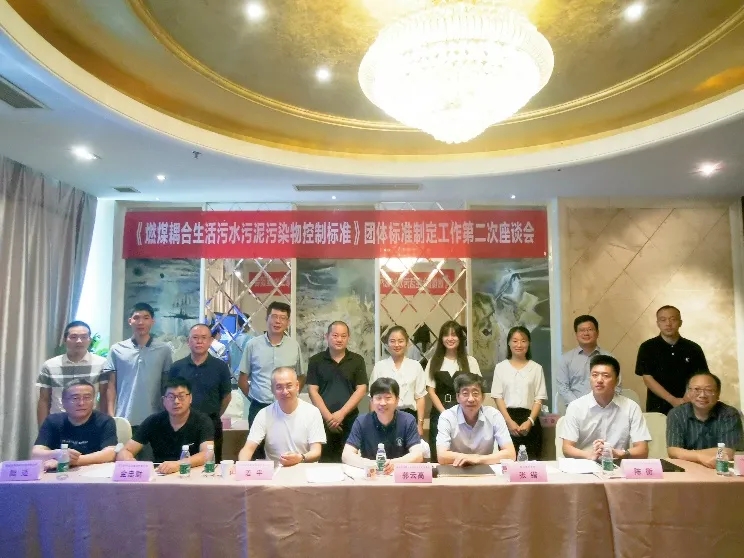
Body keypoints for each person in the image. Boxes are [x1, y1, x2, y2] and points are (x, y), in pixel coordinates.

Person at [116, 377, 214, 474]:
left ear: (190, 398)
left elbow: (207, 454)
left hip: (192, 474)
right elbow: (126, 450)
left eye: (181, 396)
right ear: (164, 400)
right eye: (171, 397)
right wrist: (128, 460)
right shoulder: (153, 421)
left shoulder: (203, 421)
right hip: (161, 474)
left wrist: (179, 464)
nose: (176, 401)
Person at [561, 355, 651, 460]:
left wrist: (620, 453)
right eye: (594, 375)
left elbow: (642, 450)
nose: (599, 380)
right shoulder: (576, 407)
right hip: (586, 464)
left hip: (617, 464)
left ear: (617, 381)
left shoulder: (631, 407)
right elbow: (567, 448)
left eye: (606, 376)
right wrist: (589, 455)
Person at [103, 303, 173, 437]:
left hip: (155, 418)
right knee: (124, 451)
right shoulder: (117, 349)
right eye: (136, 318)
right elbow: (111, 386)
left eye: (146, 318)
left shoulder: (164, 350)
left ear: (152, 321)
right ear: (130, 321)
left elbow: (166, 385)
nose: (141, 322)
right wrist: (111, 415)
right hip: (124, 417)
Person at [169, 324, 232, 462]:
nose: (199, 341)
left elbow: (227, 396)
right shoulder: (176, 367)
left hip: (211, 423)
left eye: (204, 338)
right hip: (181, 424)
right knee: (181, 463)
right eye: (195, 337)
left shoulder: (220, 367)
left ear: (210, 341)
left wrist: (215, 414)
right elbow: (170, 396)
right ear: (188, 341)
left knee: (211, 464)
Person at [307, 321, 368, 462]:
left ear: (348, 338)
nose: (339, 339)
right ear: (326, 336)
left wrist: (341, 413)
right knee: (324, 462)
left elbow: (361, 389)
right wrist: (329, 418)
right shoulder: (316, 361)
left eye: (343, 336)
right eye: (335, 335)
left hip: (350, 420)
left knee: (350, 461)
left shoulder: (357, 360)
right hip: (322, 421)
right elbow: (312, 390)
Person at [238, 367, 326, 465]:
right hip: (274, 470)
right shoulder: (264, 414)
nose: (285, 391)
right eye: (279, 387)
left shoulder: (312, 412)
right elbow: (248, 448)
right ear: (272, 390)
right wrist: (241, 465)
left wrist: (300, 457)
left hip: (304, 468)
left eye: (289, 386)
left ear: (297, 386)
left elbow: (316, 452)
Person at [238, 302, 304, 428]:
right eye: (274, 316)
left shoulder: (294, 346)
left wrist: (292, 395)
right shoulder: (252, 345)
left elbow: (301, 376)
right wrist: (254, 399)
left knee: (286, 440)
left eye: (283, 318)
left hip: (286, 407)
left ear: (288, 322)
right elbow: (242, 380)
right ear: (267, 319)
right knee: (257, 441)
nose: (278, 321)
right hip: (259, 408)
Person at [635, 305, 708, 415]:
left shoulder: (693, 348)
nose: (668, 324)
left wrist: (686, 399)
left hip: (690, 404)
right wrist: (672, 400)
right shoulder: (647, 347)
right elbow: (647, 378)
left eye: (673, 319)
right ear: (658, 323)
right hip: (658, 406)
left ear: (680, 322)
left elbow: (701, 377)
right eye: (663, 320)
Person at [426, 320, 481, 463]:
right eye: (446, 335)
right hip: (439, 413)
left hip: (466, 414)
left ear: (460, 338)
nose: (450, 339)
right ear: (441, 338)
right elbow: (431, 391)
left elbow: (478, 389)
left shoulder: (470, 361)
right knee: (439, 455)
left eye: (454, 335)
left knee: (465, 454)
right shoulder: (433, 361)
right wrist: (444, 413)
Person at [32, 379, 118, 470]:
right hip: (59, 474)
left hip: (94, 472)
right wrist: (57, 454)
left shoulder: (105, 421)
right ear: (63, 402)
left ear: (93, 401)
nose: (81, 403)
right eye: (75, 398)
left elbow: (111, 453)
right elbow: (35, 454)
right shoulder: (52, 421)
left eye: (87, 398)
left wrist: (70, 461)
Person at [342, 378, 423, 473]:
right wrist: (371, 464)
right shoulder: (362, 421)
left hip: (399, 474)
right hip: (372, 475)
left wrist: (393, 463)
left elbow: (418, 455)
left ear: (397, 400)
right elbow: (346, 455)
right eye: (378, 398)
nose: (383, 403)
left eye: (388, 398)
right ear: (372, 400)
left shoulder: (408, 420)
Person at [491, 326, 547, 459]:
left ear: (529, 343)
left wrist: (530, 421)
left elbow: (539, 398)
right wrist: (508, 421)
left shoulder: (536, 368)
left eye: (523, 341)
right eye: (515, 341)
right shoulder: (500, 367)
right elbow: (498, 397)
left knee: (532, 463)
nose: (519, 345)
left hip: (530, 420)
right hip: (507, 419)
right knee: (507, 462)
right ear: (508, 343)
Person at [36, 320, 108, 425]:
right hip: (58, 423)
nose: (79, 341)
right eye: (73, 337)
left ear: (90, 340)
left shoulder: (102, 364)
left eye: (84, 337)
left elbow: (104, 397)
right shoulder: (50, 365)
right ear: (65, 339)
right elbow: (44, 400)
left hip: (90, 424)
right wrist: (43, 429)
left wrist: (104, 425)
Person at [436, 373, 515, 466]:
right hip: (456, 468)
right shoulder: (447, 417)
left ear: (483, 397)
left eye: (475, 393)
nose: (471, 399)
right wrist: (471, 458)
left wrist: (478, 459)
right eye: (465, 394)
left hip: (485, 468)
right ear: (457, 397)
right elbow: (442, 456)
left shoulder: (494, 415)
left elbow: (511, 454)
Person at [666, 372, 743, 467]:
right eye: (696, 389)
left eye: (709, 390)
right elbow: (673, 451)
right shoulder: (676, 414)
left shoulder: (729, 414)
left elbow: (728, 452)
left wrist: (687, 454)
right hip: (687, 468)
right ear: (688, 393)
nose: (702, 395)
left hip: (719, 468)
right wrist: (700, 457)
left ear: (718, 394)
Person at [369, 325, 426, 437]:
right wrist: (373, 423)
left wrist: (420, 424)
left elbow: (420, 397)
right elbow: (373, 398)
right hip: (384, 414)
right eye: (392, 341)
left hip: (409, 416)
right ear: (387, 344)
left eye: (400, 341)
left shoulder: (416, 366)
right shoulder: (379, 366)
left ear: (407, 343)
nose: (396, 345)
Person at [555, 315, 619, 410]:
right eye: (582, 330)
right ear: (576, 334)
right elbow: (563, 387)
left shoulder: (609, 358)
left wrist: (603, 404)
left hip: (605, 409)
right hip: (576, 410)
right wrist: (579, 406)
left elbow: (617, 385)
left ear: (597, 333)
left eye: (590, 329)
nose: (586, 333)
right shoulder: (566, 359)